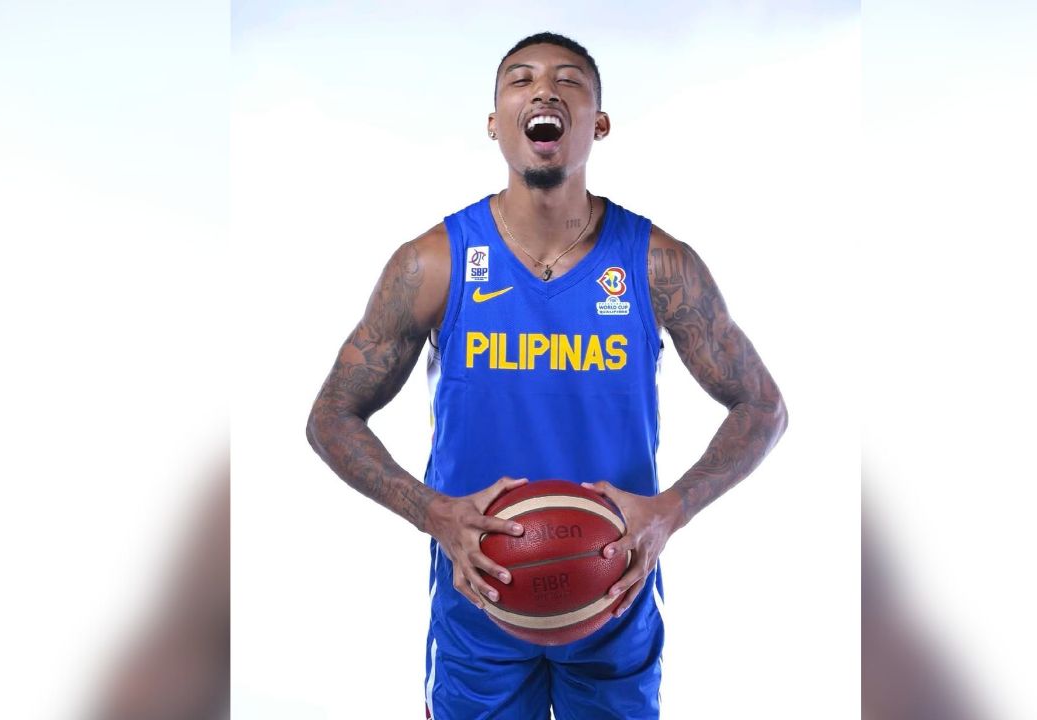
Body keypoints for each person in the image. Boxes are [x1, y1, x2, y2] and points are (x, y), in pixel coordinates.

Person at [307, 31, 787, 719]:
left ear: (599, 122)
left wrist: (670, 511)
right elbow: (330, 416)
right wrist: (432, 512)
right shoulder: (434, 263)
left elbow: (763, 406)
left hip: (613, 591)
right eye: (521, 79)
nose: (544, 90)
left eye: (568, 80)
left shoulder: (658, 264)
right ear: (493, 122)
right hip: (479, 597)